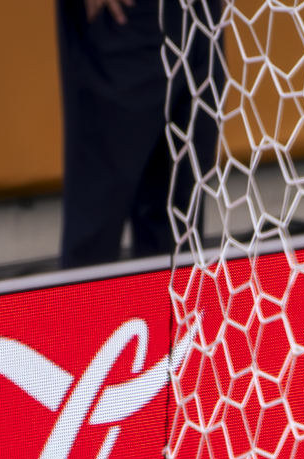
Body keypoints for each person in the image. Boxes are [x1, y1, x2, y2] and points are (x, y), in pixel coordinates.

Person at [56, 0, 222, 268]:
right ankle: (84, 308)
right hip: (121, 18)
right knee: (95, 239)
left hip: (202, 18)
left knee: (177, 233)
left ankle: (163, 310)